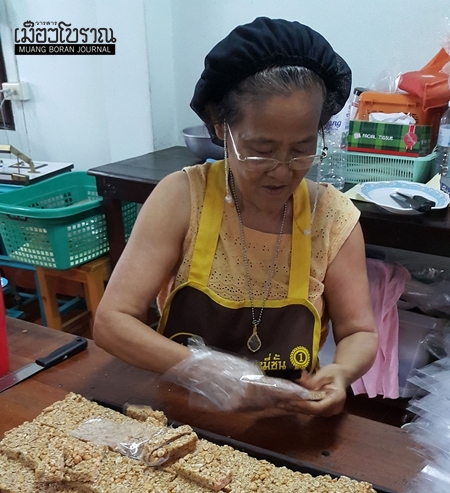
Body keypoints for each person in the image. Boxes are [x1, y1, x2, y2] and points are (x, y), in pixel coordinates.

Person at [94, 17, 378, 416]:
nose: (282, 171)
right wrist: (201, 369)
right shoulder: (182, 198)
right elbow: (111, 321)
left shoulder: (331, 217)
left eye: (301, 150)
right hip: (180, 413)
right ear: (220, 127)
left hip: (285, 419)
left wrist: (342, 371)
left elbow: (359, 331)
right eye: (261, 151)